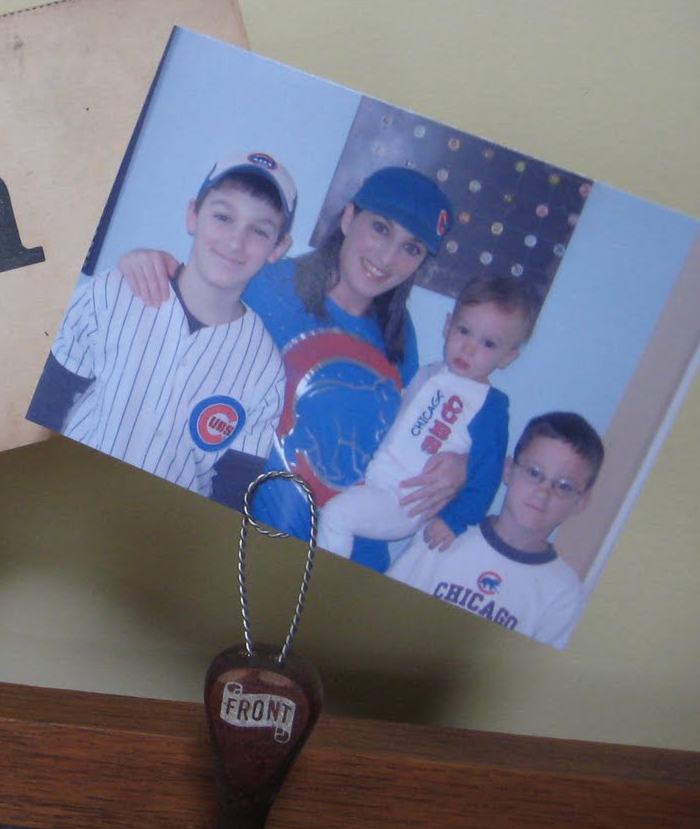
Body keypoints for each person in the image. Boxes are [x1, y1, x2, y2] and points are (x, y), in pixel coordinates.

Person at [118, 165, 467, 569]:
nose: (388, 258)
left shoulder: (401, 336)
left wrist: (458, 466)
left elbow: (408, 442)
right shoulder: (265, 281)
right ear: (349, 217)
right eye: (381, 228)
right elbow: (183, 310)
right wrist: (143, 262)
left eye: (412, 248)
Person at [26, 150, 296, 501]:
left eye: (259, 231)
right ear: (192, 215)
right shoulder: (117, 289)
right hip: (61, 493)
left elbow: (230, 493)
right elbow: (44, 404)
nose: (235, 241)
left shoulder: (265, 370)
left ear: (278, 248)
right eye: (223, 216)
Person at [315, 274, 538, 560]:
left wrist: (455, 519)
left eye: (488, 344)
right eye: (464, 331)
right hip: (370, 477)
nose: (469, 348)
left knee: (337, 515)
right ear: (448, 326)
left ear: (507, 357)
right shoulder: (428, 372)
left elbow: (487, 471)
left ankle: (320, 580)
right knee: (322, 503)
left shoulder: (489, 405)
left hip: (404, 498)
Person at [387, 411, 603, 648]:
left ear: (581, 502)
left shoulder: (564, 596)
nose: (543, 492)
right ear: (508, 470)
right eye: (534, 473)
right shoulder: (441, 536)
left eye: (563, 486)